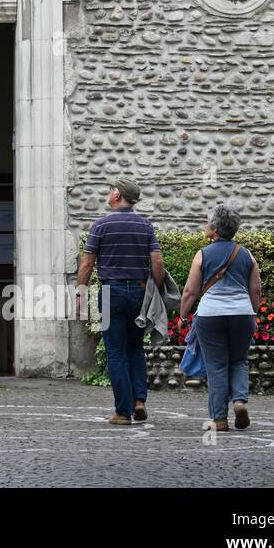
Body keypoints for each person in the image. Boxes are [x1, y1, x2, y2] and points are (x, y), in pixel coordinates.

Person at [77, 176, 164, 425]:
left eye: (110, 190)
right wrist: (155, 291)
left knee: (115, 351)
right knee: (136, 347)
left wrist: (81, 291)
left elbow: (87, 262)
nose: (108, 193)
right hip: (138, 291)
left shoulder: (101, 225)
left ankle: (123, 412)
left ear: (117, 195)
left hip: (109, 292)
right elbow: (157, 261)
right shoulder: (145, 225)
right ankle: (139, 401)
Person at [180, 203, 262, 431]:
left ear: (214, 229)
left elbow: (190, 291)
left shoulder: (203, 254)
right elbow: (255, 290)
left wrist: (183, 315)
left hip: (210, 315)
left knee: (216, 366)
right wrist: (252, 313)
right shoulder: (246, 254)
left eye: (208, 223)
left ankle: (219, 419)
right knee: (239, 360)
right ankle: (239, 401)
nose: (205, 226)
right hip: (242, 314)